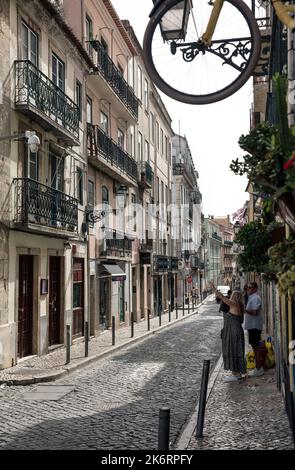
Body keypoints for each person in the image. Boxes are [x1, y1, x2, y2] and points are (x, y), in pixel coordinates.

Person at [210, 282, 246, 382]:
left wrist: (214, 289)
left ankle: (236, 374)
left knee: (234, 351)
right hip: (235, 331)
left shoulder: (234, 305)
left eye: (232, 296)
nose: (229, 297)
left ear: (234, 297)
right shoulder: (238, 306)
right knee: (236, 351)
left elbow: (223, 298)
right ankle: (236, 373)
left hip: (234, 333)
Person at [244, 282, 264, 377]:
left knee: (256, 347)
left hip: (255, 326)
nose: (248, 289)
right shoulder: (251, 297)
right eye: (247, 288)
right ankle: (258, 367)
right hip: (252, 326)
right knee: (254, 347)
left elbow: (255, 312)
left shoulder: (256, 297)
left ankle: (259, 368)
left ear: (255, 288)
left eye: (250, 287)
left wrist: (244, 310)